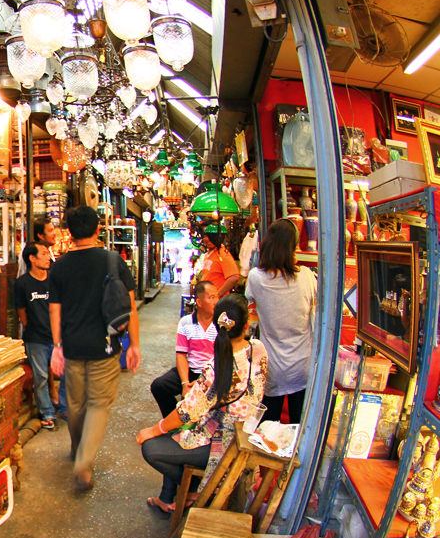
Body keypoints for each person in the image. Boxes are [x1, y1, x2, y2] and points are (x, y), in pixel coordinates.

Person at [136, 295, 269, 514]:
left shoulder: (217, 367)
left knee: (152, 448)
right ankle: (167, 498)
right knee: (174, 431)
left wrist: (153, 429)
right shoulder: (258, 348)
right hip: (246, 434)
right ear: (246, 325)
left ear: (217, 327)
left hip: (224, 443)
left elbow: (187, 411)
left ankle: (199, 488)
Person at [50, 206, 141, 492]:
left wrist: (57, 346)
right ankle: (84, 462)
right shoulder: (113, 261)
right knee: (98, 404)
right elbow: (129, 306)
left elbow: (55, 309)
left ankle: (78, 448)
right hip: (105, 346)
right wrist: (134, 344)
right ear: (98, 229)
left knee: (75, 406)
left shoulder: (60, 266)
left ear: (69, 232)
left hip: (72, 346)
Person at [245, 219, 317, 422]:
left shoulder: (256, 278)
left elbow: (249, 307)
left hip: (272, 368)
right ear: (292, 248)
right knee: (299, 426)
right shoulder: (307, 276)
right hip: (303, 365)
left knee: (267, 427)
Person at [149, 280, 218, 418]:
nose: (216, 301)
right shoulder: (186, 322)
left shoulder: (221, 323)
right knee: (159, 386)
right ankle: (175, 421)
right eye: (211, 297)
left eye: (217, 297)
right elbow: (181, 354)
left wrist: (204, 381)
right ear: (199, 302)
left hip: (213, 374)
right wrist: (185, 383)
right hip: (191, 370)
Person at [14, 242, 57, 430]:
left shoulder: (54, 280)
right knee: (41, 377)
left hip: (57, 336)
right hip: (35, 338)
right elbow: (21, 311)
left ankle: (63, 406)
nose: (48, 257)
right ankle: (47, 413)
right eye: (44, 254)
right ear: (32, 258)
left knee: (65, 373)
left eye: (48, 254)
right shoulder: (22, 283)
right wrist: (30, 327)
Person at [198, 226, 240, 298]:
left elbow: (234, 277)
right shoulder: (210, 253)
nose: (206, 240)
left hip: (217, 300)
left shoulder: (223, 254)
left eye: (210, 238)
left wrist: (217, 294)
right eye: (205, 236)